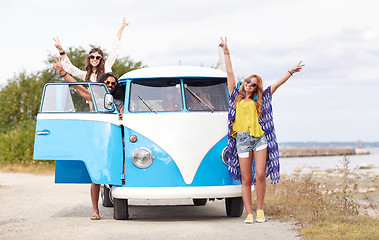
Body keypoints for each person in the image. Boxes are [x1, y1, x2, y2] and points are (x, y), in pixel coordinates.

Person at [219, 37, 304, 223]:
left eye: (254, 84)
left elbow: (277, 84)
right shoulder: (235, 96)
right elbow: (230, 72)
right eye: (248, 81)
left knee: (259, 175)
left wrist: (291, 71)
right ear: (244, 82)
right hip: (241, 140)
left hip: (260, 139)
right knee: (246, 178)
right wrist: (226, 52)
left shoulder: (262, 99)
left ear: (257, 88)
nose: (249, 84)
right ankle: (249, 213)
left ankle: (260, 211)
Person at [54, 56, 124, 220]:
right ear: (102, 84)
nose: (110, 86)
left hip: (115, 140)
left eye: (113, 84)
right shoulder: (95, 98)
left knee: (121, 173)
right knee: (96, 177)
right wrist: (63, 72)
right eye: (107, 83)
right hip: (98, 140)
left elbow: (122, 118)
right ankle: (95, 210)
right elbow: (78, 86)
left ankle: (120, 200)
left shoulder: (120, 101)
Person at [53, 17, 128, 82]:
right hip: (90, 99)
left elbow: (115, 50)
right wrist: (61, 50)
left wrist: (121, 29)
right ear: (89, 59)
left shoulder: (106, 68)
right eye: (92, 57)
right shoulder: (86, 75)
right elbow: (71, 68)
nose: (95, 59)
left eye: (97, 57)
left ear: (101, 59)